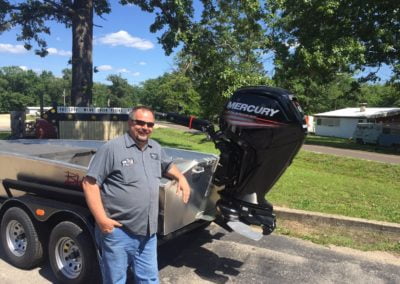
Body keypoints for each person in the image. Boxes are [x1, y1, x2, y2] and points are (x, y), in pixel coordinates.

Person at [82, 106, 191, 284]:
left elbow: (168, 166)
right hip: (119, 232)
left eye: (149, 124)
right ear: (130, 122)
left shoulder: (155, 148)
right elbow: (90, 183)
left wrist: (181, 178)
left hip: (148, 233)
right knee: (115, 280)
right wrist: (102, 220)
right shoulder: (112, 149)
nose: (145, 128)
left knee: (149, 279)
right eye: (140, 122)